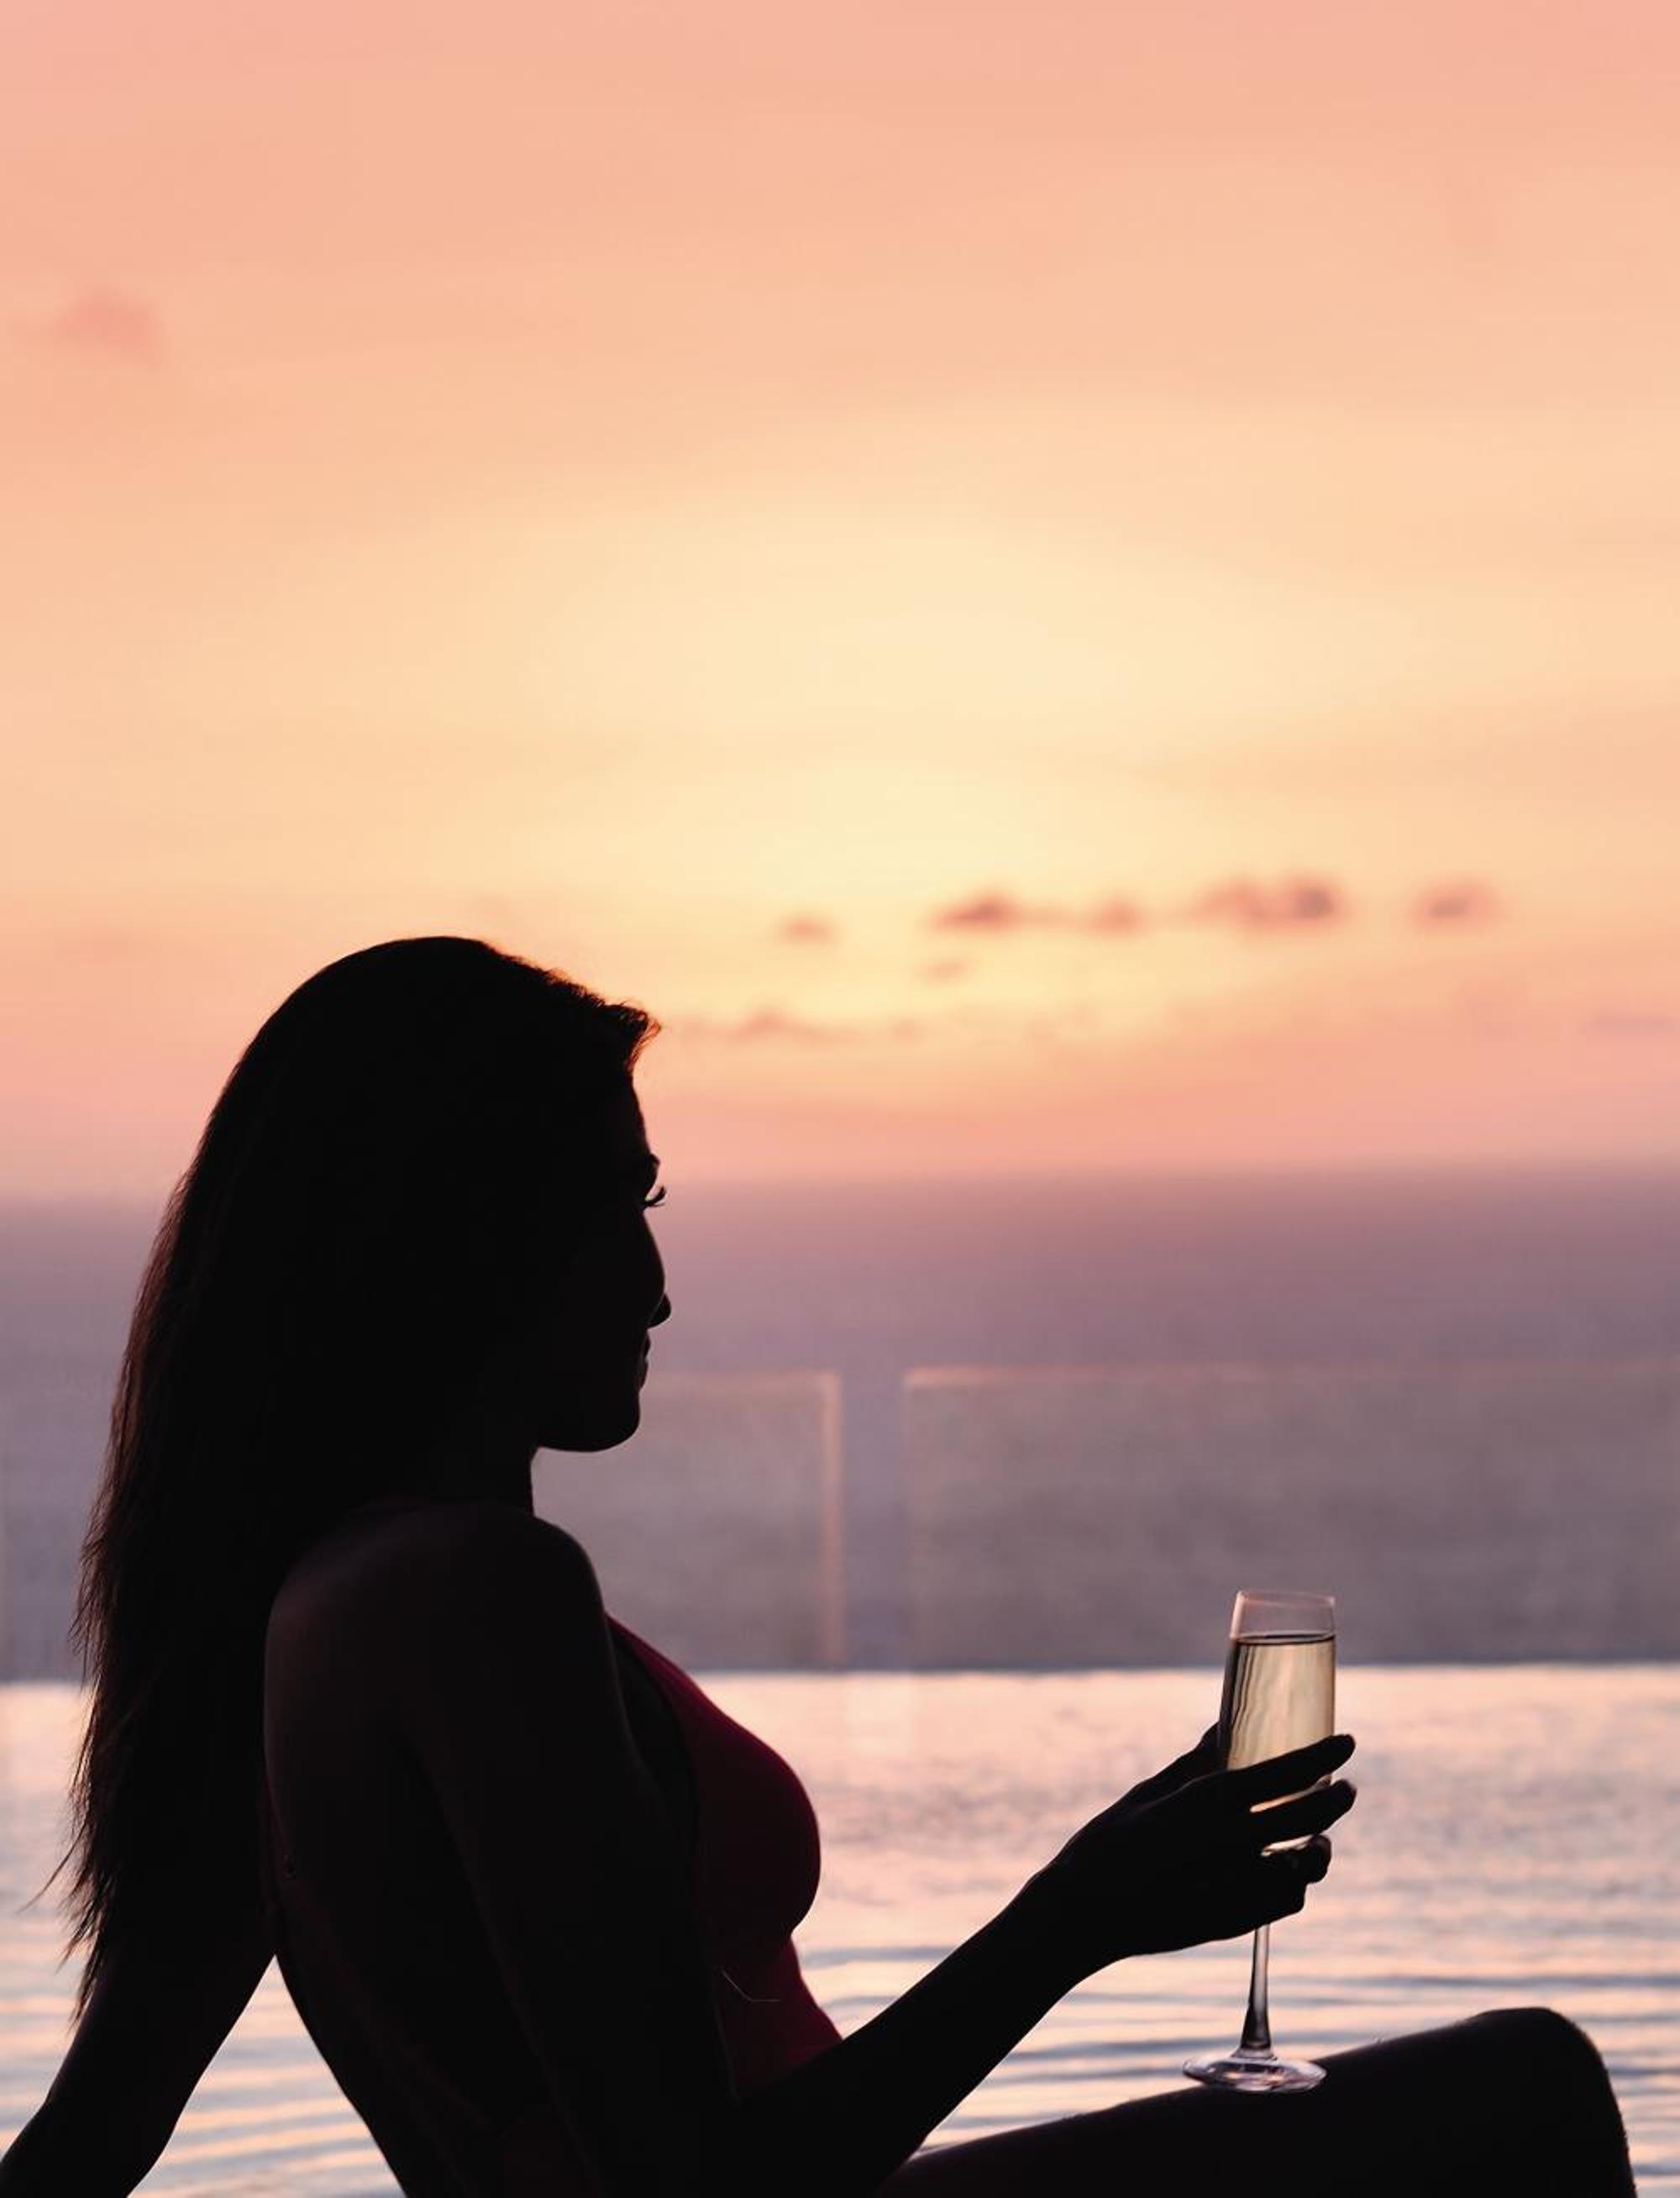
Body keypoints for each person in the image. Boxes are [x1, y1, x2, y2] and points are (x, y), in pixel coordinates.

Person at [0, 938, 1637, 2196]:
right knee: (1529, 2094)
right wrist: (1073, 1916)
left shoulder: (301, 1614)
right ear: (467, 1233)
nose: (656, 1282)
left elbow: (88, 2147)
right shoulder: (472, 1596)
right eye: (618, 1205)